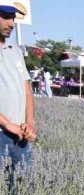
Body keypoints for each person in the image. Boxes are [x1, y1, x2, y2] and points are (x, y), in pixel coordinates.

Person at [0, 3, 36, 176]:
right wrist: (8, 125)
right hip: (2, 133)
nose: (11, 24)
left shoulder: (15, 51)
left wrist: (30, 123)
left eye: (13, 18)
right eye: (6, 17)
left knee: (22, 193)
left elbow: (26, 90)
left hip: (20, 136)